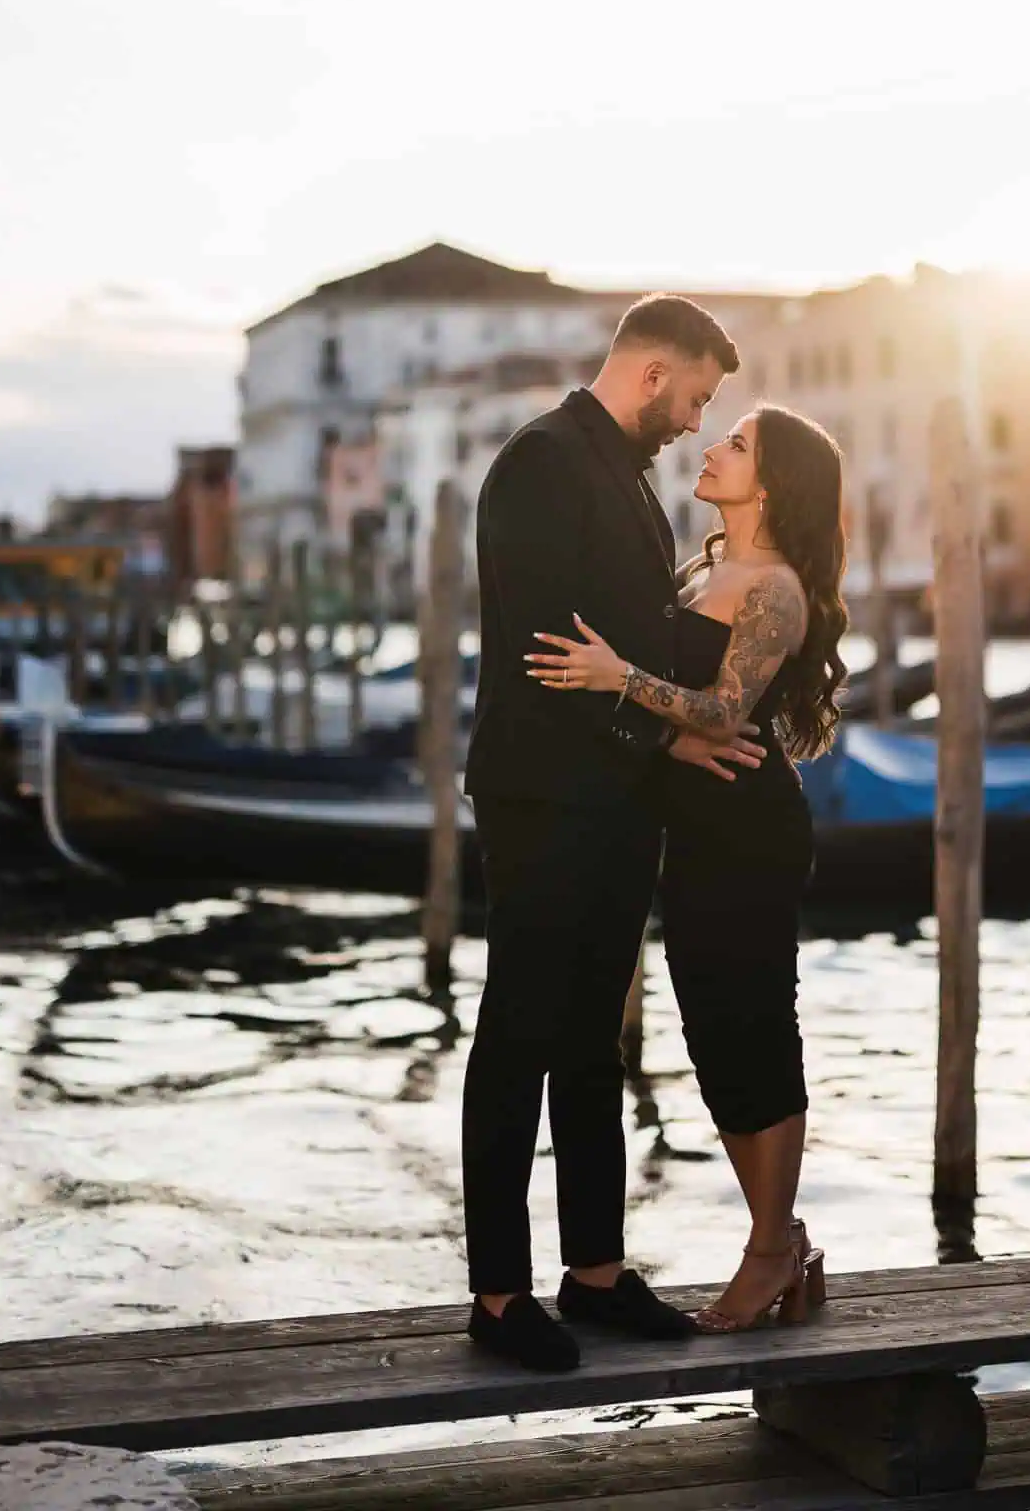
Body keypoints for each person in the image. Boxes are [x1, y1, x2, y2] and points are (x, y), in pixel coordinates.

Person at [462, 294, 763, 1372]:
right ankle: (497, 1294)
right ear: (650, 373)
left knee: (594, 1034)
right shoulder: (542, 462)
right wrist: (664, 738)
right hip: (544, 791)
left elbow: (629, 641)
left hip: (614, 791)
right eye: (694, 397)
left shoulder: (623, 476)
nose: (694, 421)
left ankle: (593, 1270)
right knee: (520, 1031)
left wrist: (667, 733)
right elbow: (552, 654)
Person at [529, 402, 847, 1332]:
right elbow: (692, 728)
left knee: (754, 1026)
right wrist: (661, 741)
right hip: (696, 829)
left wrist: (616, 678)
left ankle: (768, 1249)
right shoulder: (706, 565)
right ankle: (779, 1240)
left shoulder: (775, 589)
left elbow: (721, 709)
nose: (712, 447)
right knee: (712, 1037)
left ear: (774, 481)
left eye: (736, 443)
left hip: (749, 831)